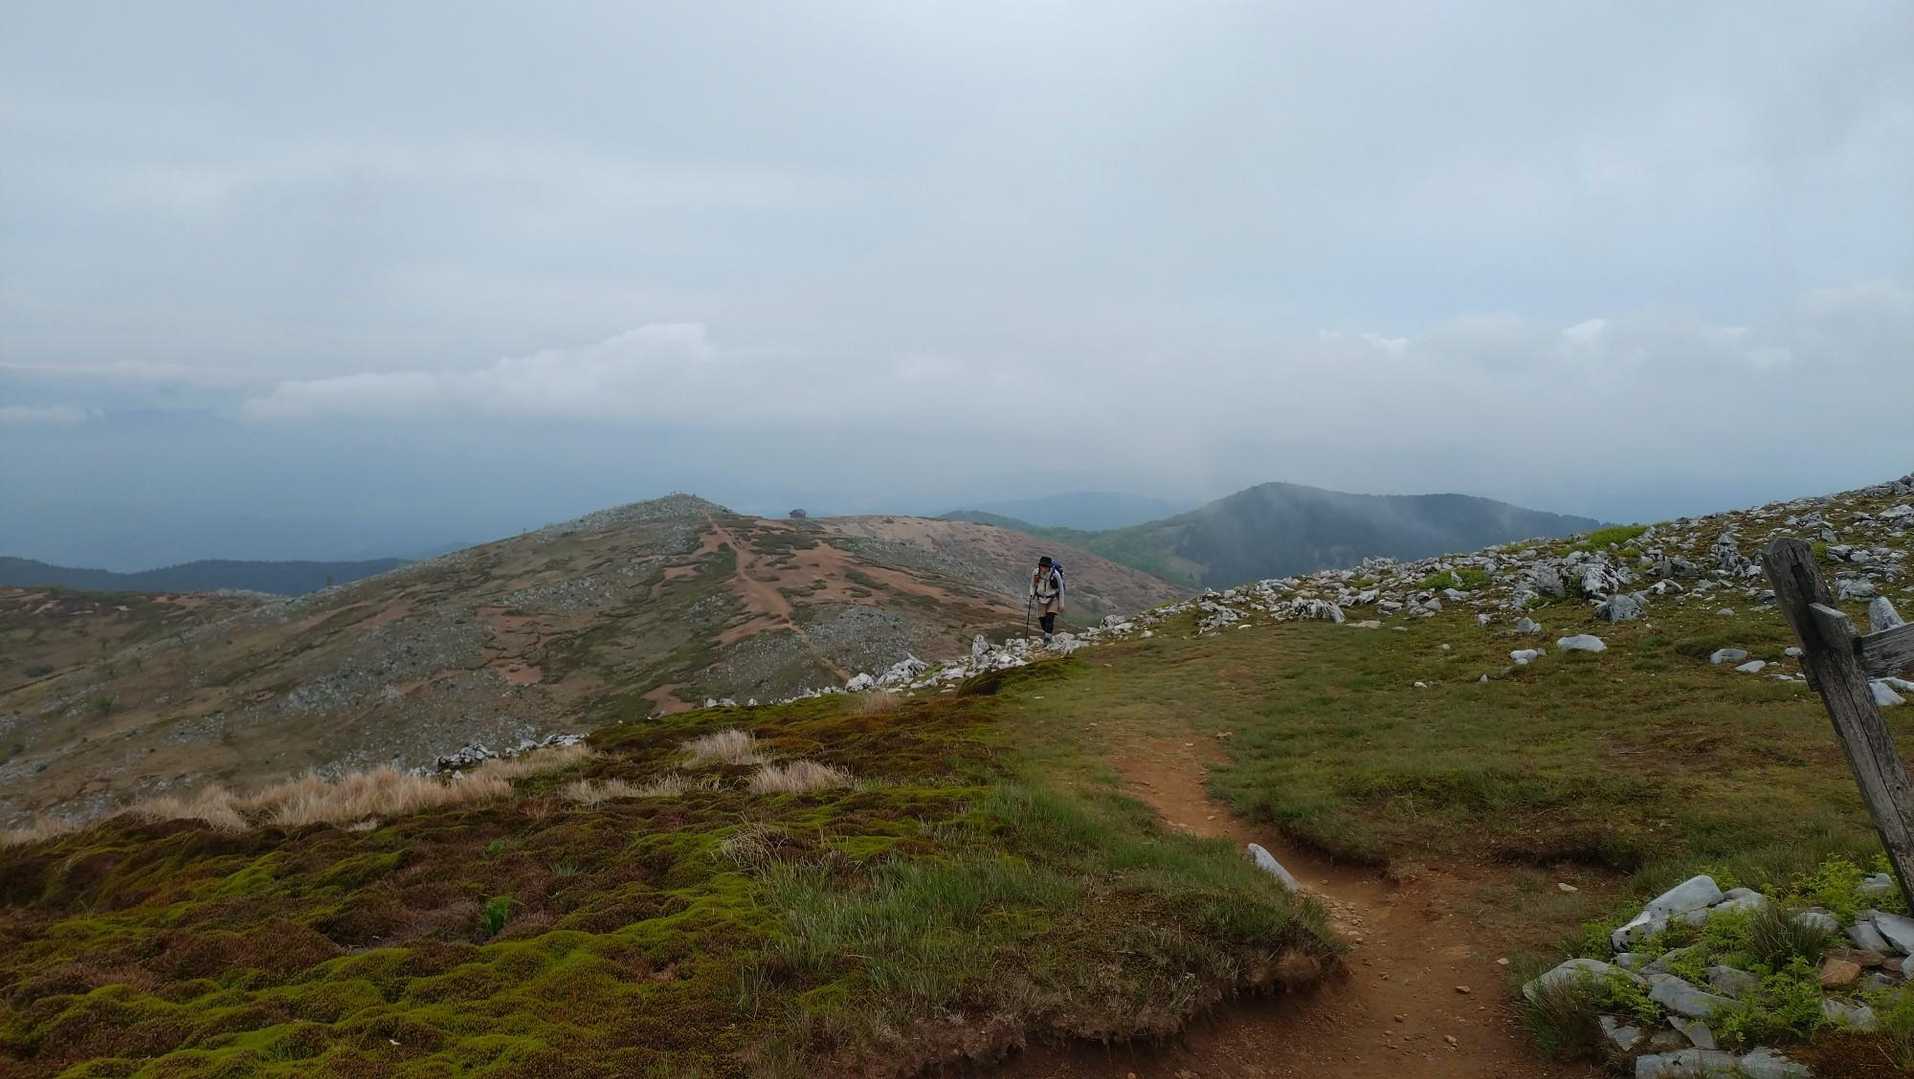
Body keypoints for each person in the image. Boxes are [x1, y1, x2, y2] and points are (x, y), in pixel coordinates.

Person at [1030, 555, 1065, 641]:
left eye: (1046, 567)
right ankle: (1048, 634)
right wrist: (1032, 594)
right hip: (1041, 599)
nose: (1044, 568)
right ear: (1040, 566)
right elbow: (1032, 584)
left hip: (1053, 598)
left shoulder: (1055, 574)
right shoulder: (1036, 572)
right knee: (1042, 619)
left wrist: (1061, 604)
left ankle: (1047, 639)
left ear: (1049, 567)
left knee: (1050, 617)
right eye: (1042, 566)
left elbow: (1061, 588)